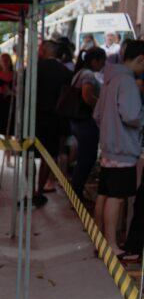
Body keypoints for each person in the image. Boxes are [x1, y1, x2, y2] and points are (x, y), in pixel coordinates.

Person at [94, 40, 144, 256]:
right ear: (141, 59)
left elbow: (96, 114)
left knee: (104, 194)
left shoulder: (109, 79)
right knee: (117, 196)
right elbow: (132, 115)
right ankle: (112, 244)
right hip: (123, 149)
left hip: (107, 147)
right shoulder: (127, 81)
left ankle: (100, 239)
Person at [33, 39, 73, 207]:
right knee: (47, 156)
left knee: (29, 154)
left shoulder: (35, 69)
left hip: (34, 117)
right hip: (54, 119)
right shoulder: (65, 72)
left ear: (44, 50)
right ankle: (39, 190)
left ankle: (31, 188)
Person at [69, 47, 107, 200]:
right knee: (87, 158)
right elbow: (87, 97)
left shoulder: (80, 72)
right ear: (95, 61)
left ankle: (76, 190)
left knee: (85, 157)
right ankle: (76, 192)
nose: (103, 65)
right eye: (102, 61)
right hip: (85, 122)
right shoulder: (88, 75)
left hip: (79, 121)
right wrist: (102, 106)